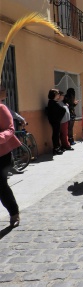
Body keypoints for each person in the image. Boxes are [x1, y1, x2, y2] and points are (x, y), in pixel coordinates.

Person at [0, 86, 21, 227]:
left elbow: (10, 128)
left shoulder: (1, 108)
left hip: (2, 154)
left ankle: (14, 212)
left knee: (1, 186)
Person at [47, 89, 66, 155]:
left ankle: (58, 146)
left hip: (56, 120)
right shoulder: (52, 102)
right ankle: (56, 148)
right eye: (57, 94)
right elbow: (61, 110)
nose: (59, 95)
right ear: (54, 94)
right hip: (54, 121)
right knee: (55, 134)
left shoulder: (54, 102)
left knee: (57, 134)